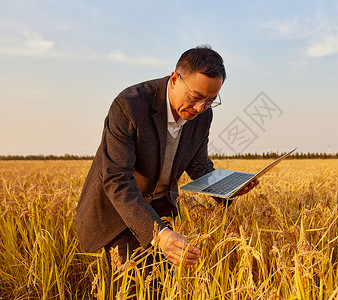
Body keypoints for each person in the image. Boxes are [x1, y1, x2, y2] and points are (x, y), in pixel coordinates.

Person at [75, 45, 258, 297]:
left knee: (162, 286)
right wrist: (158, 234)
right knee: (128, 288)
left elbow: (199, 165)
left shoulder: (203, 116)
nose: (199, 108)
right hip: (121, 211)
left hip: (163, 209)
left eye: (210, 101)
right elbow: (117, 180)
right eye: (195, 97)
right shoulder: (128, 105)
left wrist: (228, 188)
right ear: (175, 79)